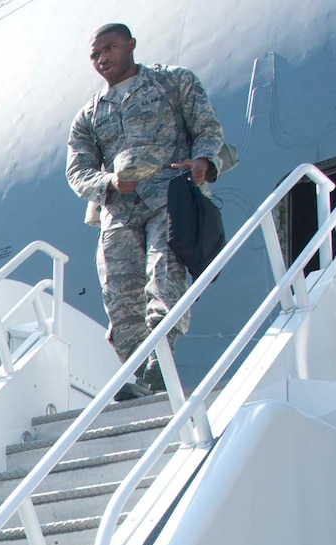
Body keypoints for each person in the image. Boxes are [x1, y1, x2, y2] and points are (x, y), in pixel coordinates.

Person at [66, 22, 236, 387]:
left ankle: (160, 359)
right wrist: (108, 180)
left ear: (131, 45)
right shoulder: (89, 115)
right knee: (119, 295)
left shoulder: (172, 82)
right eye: (95, 54)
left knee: (164, 276)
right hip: (119, 210)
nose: (102, 58)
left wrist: (204, 161)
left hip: (170, 196)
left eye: (109, 48)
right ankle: (135, 372)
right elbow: (77, 170)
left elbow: (206, 127)